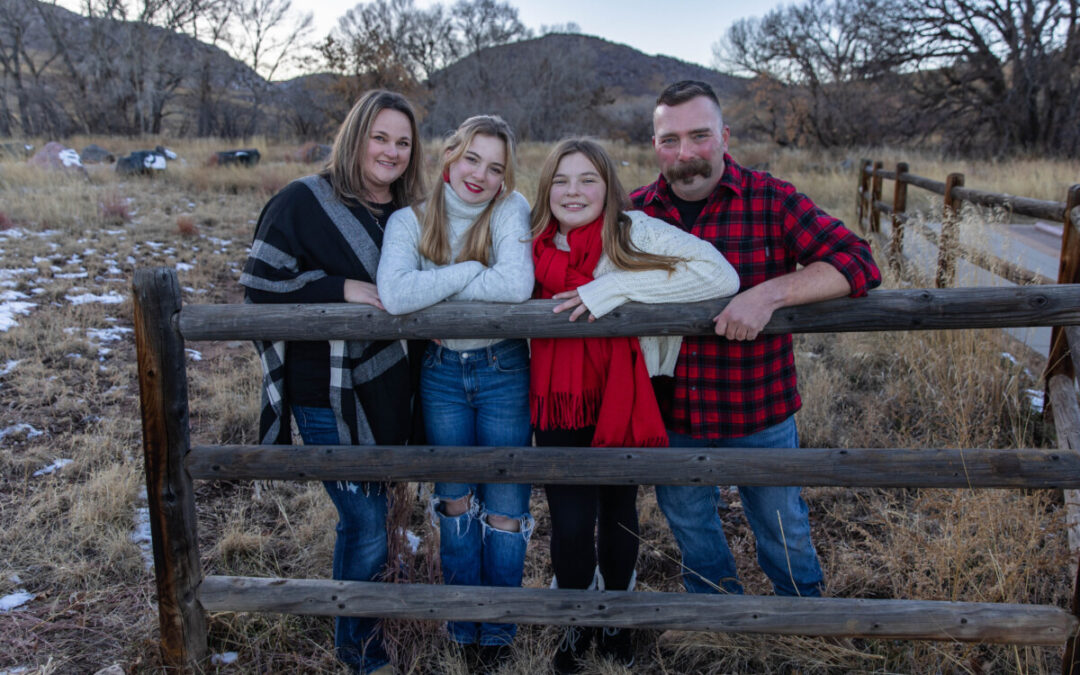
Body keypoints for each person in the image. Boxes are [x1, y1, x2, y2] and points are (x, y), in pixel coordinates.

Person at [629, 80, 882, 599]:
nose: (685, 153)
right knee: (689, 522)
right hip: (671, 411)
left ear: (724, 135)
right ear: (655, 146)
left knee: (781, 523)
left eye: (699, 136)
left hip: (758, 407)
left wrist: (769, 294)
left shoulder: (771, 199)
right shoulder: (634, 215)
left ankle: (802, 617)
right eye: (670, 140)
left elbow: (857, 261)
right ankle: (719, 617)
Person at [529, 138, 739, 673]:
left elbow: (721, 276)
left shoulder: (633, 230)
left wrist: (613, 289)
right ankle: (575, 620)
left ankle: (618, 613)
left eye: (588, 180)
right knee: (570, 521)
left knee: (617, 510)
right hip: (556, 399)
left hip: (626, 390)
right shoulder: (530, 241)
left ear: (609, 188)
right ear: (545, 188)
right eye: (561, 180)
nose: (573, 192)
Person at [240, 90, 426, 675]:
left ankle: (376, 624)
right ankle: (363, 653)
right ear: (355, 137)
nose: (390, 152)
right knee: (365, 520)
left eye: (402, 142)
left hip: (397, 388)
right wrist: (336, 289)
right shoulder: (303, 201)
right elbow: (258, 285)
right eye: (379, 137)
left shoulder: (412, 213)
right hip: (328, 393)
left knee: (382, 515)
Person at [376, 115, 533, 672]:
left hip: (504, 367)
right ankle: (463, 626)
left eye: (494, 167)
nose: (480, 175)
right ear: (450, 157)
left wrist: (438, 290)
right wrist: (471, 267)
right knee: (456, 503)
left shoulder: (511, 209)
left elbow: (517, 285)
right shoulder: (410, 219)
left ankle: (499, 633)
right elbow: (395, 294)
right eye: (471, 159)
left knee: (507, 507)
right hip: (441, 371)